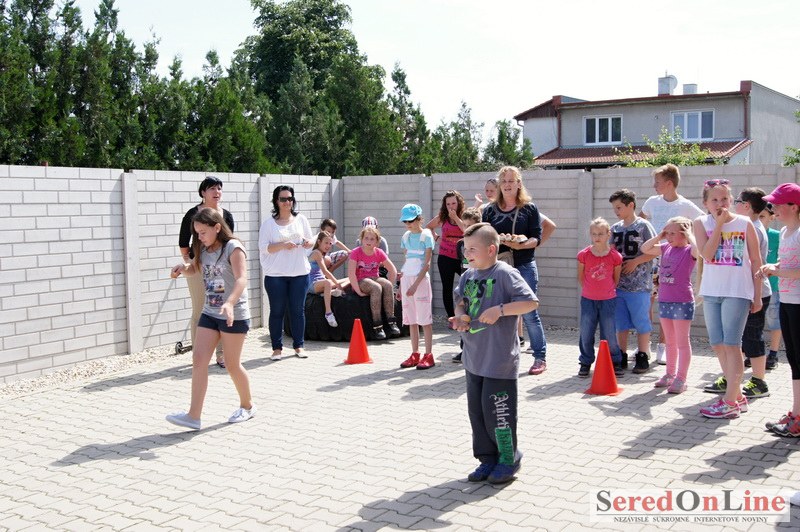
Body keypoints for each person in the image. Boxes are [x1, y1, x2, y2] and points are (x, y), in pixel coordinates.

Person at [451, 223, 538, 484]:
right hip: (473, 359)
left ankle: (508, 459)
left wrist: (500, 310)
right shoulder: (468, 275)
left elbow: (530, 302)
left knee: (498, 415)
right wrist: (460, 317)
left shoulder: (505, 273)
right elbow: (460, 302)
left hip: (499, 362)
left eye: (472, 249)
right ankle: (487, 459)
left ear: (491, 250)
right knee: (478, 414)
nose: (467, 253)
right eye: (465, 249)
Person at [166, 209, 255, 430]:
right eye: (197, 233)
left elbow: (241, 279)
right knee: (199, 360)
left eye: (203, 232)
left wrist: (230, 303)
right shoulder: (203, 249)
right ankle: (193, 416)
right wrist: (183, 269)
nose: (199, 237)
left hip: (233, 313)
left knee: (232, 365)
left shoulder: (233, 248)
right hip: (210, 311)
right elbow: (195, 269)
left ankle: (248, 406)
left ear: (217, 227)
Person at [693, 179, 762, 419]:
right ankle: (737, 396)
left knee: (732, 345)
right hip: (712, 291)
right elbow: (707, 255)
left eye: (724, 198)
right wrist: (719, 225)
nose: (720, 203)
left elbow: (756, 260)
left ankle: (730, 401)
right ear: (705, 203)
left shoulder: (744, 223)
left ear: (731, 200)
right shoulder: (700, 223)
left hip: (737, 291)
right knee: (717, 344)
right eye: (714, 199)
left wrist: (757, 295)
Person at [482, 166, 546, 376]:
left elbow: (536, 237)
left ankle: (540, 357)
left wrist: (521, 244)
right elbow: (484, 237)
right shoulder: (489, 210)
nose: (507, 185)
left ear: (519, 183)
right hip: (499, 266)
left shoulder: (529, 208)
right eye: (504, 181)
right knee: (497, 311)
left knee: (529, 313)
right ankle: (499, 357)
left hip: (524, 264)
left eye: (511, 181)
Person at [639, 164, 704, 365]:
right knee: (648, 300)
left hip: (675, 260)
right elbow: (640, 222)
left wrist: (690, 240)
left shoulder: (685, 205)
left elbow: (703, 222)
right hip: (654, 256)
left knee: (666, 302)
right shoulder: (652, 202)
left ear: (669, 183)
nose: (654, 186)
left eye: (657, 182)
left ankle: (663, 346)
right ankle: (644, 346)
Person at [178, 176, 234, 368]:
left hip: (219, 267)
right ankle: (199, 355)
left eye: (219, 188)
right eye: (212, 188)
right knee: (200, 308)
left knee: (218, 307)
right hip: (198, 266)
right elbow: (183, 241)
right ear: (203, 192)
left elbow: (229, 241)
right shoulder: (193, 213)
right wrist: (190, 261)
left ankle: (221, 355)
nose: (216, 192)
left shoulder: (226, 215)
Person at [759, 183, 800, 436]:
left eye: (777, 204)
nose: (772, 207)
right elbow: (788, 263)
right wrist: (773, 266)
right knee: (794, 360)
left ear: (794, 207)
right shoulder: (785, 231)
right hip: (787, 300)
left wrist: (777, 271)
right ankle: (796, 413)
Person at [641, 217, 699, 394]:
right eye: (668, 233)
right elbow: (645, 248)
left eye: (673, 233)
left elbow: (699, 251)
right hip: (665, 300)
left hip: (682, 301)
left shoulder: (689, 250)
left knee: (682, 342)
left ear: (684, 234)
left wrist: (690, 234)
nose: (669, 236)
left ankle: (681, 378)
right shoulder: (665, 247)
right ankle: (669, 374)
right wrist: (660, 235)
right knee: (670, 341)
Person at [258, 185, 314, 361]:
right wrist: (283, 245)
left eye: (290, 199)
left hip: (299, 273)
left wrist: (308, 243)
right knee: (277, 311)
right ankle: (276, 349)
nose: (287, 202)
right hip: (276, 275)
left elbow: (311, 242)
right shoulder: (268, 224)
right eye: (283, 199)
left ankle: (299, 346)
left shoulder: (301, 219)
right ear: (276, 201)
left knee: (298, 311)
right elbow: (263, 248)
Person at [609, 189, 656, 374]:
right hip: (619, 285)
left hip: (639, 285)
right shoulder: (615, 228)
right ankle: (621, 354)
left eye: (619, 207)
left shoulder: (644, 226)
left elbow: (655, 250)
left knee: (641, 321)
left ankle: (643, 355)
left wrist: (636, 261)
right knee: (621, 322)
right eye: (614, 208)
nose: (616, 211)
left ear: (631, 205)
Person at [734, 188, 772, 399]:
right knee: (740, 337)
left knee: (752, 337)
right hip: (746, 291)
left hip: (755, 292)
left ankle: (759, 381)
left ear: (746, 206)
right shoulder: (750, 226)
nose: (734, 205)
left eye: (737, 201)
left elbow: (753, 265)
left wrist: (755, 296)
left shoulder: (754, 229)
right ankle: (733, 377)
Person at [577, 218, 624, 378]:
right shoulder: (583, 255)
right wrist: (591, 290)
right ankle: (585, 361)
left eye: (601, 234)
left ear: (608, 234)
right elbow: (581, 277)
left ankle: (614, 361)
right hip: (588, 299)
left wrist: (606, 291)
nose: (597, 237)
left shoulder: (615, 257)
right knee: (586, 331)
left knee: (609, 332)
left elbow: (616, 279)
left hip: (608, 300)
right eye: (594, 234)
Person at [397, 204, 436, 369]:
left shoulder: (426, 236)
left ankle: (428, 355)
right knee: (411, 320)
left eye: (411, 220)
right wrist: (401, 286)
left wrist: (415, 285)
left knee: (425, 320)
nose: (408, 224)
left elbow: (426, 264)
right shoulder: (405, 237)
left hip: (420, 281)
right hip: (407, 280)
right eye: (405, 221)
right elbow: (407, 262)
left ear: (419, 219)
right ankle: (415, 353)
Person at [348, 225, 401, 340]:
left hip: (374, 277)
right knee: (376, 287)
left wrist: (389, 288)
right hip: (361, 280)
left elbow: (392, 270)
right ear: (361, 239)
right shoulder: (355, 252)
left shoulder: (379, 252)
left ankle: (392, 322)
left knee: (387, 284)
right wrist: (358, 291)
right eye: (366, 238)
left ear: (377, 242)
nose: (369, 241)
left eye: (372, 239)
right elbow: (351, 274)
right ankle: (378, 326)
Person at [427, 191, 466, 322]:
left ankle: (467, 315)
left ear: (459, 203)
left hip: (463, 258)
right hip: (445, 257)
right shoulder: (442, 217)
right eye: (448, 204)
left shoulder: (465, 216)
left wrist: (456, 218)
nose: (451, 206)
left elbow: (467, 230)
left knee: (469, 284)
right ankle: (451, 318)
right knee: (447, 288)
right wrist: (437, 238)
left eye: (453, 203)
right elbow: (428, 227)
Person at [452, 207, 483, 363]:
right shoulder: (460, 244)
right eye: (464, 225)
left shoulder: (482, 244)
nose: (466, 229)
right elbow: (462, 266)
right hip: (467, 283)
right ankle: (464, 349)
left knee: (476, 317)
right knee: (464, 315)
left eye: (470, 226)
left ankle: (478, 350)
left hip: (480, 282)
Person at [308, 231, 350, 328]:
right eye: (326, 243)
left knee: (350, 279)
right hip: (312, 284)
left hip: (321, 282)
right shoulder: (316, 253)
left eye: (330, 243)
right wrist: (337, 284)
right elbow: (325, 272)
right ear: (319, 242)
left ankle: (329, 292)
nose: (328, 246)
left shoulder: (322, 254)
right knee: (328, 282)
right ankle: (328, 313)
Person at [759, 205, 783, 370]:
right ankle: (755, 353)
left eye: (763, 216)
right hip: (753, 287)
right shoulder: (750, 233)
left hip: (773, 287)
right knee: (754, 322)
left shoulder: (777, 236)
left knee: (774, 320)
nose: (759, 220)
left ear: (771, 217)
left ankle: (773, 353)